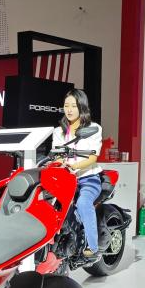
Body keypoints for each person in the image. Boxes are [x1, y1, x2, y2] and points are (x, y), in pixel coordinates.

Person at [53, 89, 103, 258]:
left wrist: (74, 166)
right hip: (65, 178)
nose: (69, 109)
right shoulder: (59, 131)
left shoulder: (93, 128)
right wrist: (61, 162)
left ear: (82, 107)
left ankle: (93, 247)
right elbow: (57, 155)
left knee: (83, 203)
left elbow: (93, 157)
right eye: (66, 105)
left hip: (88, 178)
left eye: (73, 106)